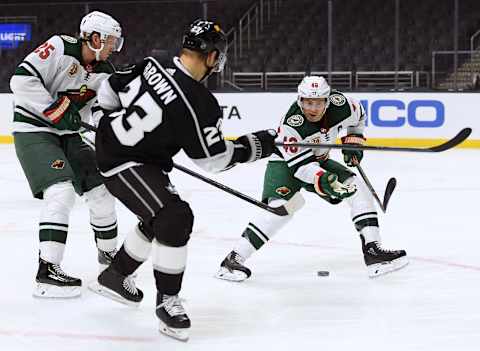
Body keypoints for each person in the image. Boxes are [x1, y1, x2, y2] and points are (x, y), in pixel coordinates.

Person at [91, 19, 278, 341]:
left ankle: (114, 275)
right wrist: (260, 144)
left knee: (159, 217)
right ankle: (167, 301)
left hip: (129, 156)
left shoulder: (155, 60)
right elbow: (214, 159)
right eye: (218, 54)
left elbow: (109, 86)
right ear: (210, 55)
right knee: (175, 216)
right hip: (123, 163)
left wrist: (100, 118)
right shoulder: (200, 102)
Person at [215, 76, 408, 282]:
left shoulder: (342, 105)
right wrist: (325, 181)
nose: (313, 108)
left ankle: (373, 253)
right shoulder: (292, 124)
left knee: (358, 188)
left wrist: (352, 142)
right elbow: (302, 168)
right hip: (286, 165)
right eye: (308, 102)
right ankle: (232, 260)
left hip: (319, 159)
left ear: (327, 100)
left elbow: (359, 117)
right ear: (300, 101)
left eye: (318, 102)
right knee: (282, 210)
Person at [10, 11, 124, 298]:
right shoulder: (60, 47)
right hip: (34, 131)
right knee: (61, 192)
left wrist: (110, 132)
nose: (114, 47)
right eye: (110, 41)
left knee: (101, 191)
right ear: (94, 37)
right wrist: (56, 109)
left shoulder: (105, 71)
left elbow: (99, 110)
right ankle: (47, 271)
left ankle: (109, 262)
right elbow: (21, 81)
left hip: (69, 136)